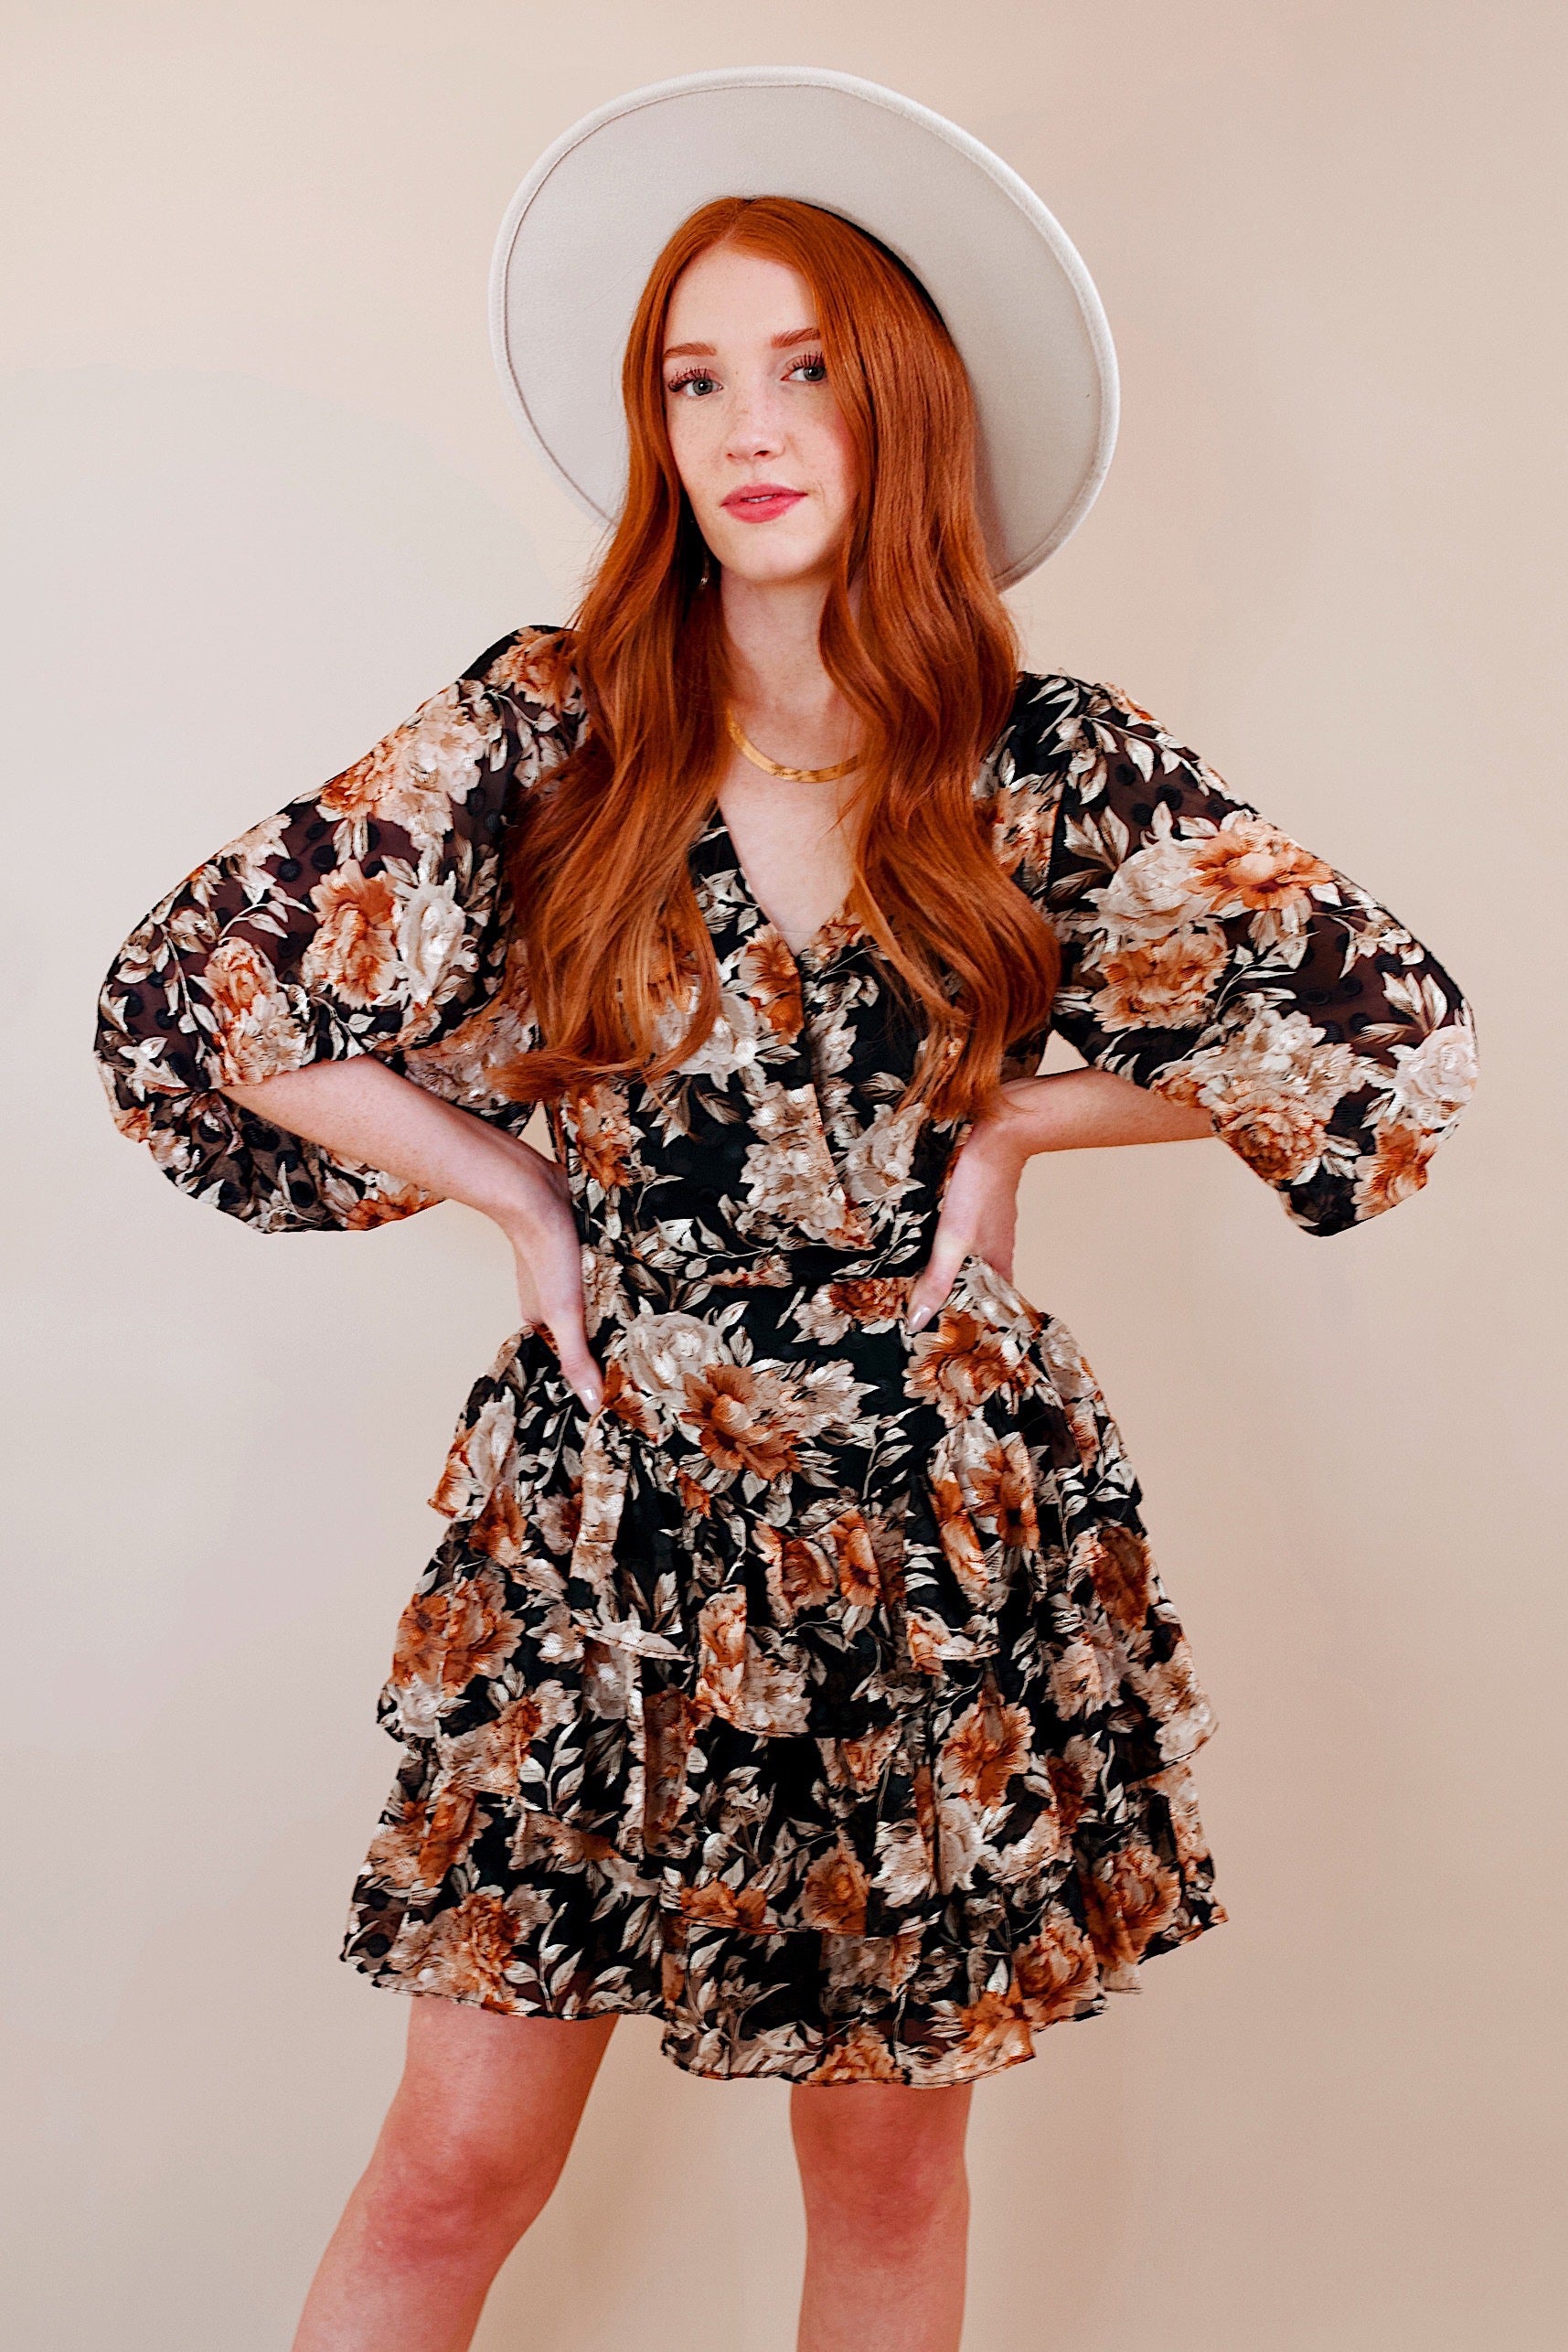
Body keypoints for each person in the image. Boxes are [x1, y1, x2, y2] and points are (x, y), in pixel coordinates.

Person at [92, 69, 1477, 2352]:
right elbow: (193, 997)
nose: (747, 428)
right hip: (601, 1515)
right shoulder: (552, 726)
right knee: (453, 2161)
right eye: (695, 379)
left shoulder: (1040, 753)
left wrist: (1014, 1126)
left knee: (887, 2168)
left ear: (899, 405)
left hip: (926, 1519)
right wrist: (516, 1190)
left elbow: (1383, 1034)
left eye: (807, 371)